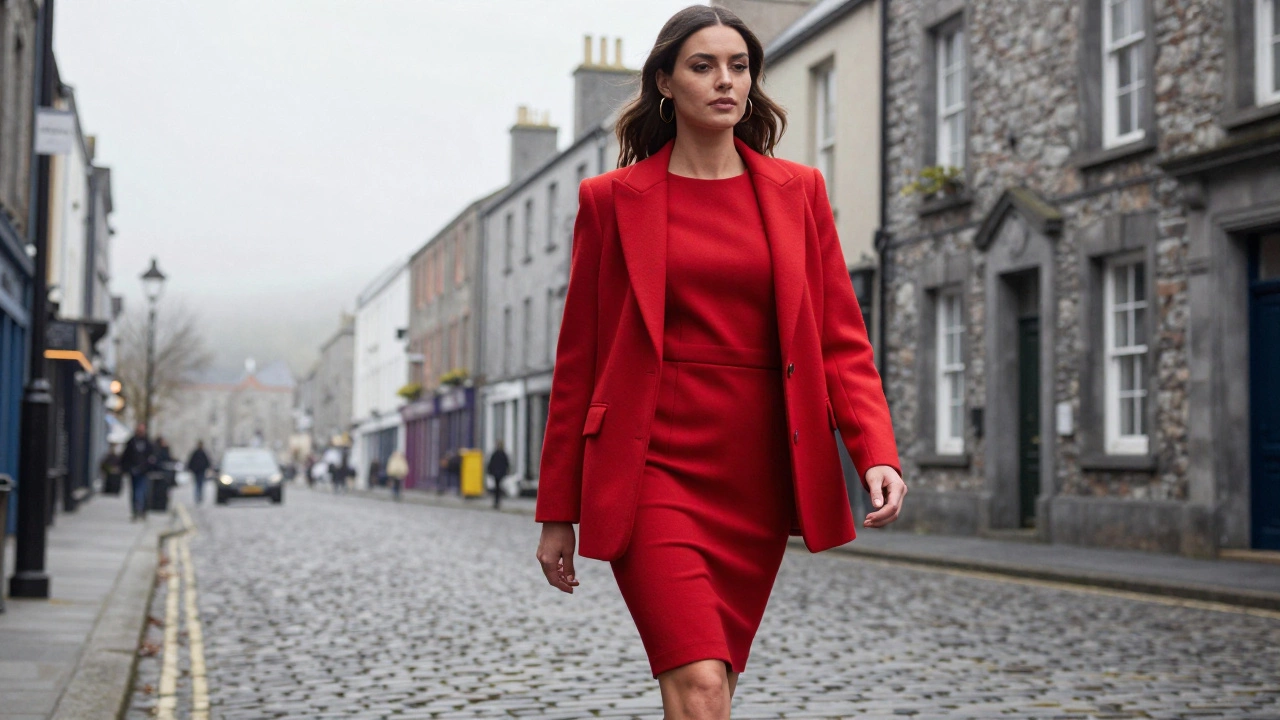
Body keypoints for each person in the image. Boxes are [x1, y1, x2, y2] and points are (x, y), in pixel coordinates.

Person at [532, 6, 907, 716]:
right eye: (703, 66)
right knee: (699, 679)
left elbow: (839, 339)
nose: (725, 81)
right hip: (650, 470)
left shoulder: (799, 193)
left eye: (738, 66)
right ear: (665, 83)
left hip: (756, 475)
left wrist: (875, 452)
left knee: (713, 683)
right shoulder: (610, 202)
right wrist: (559, 508)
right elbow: (578, 361)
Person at [120, 424, 155, 521]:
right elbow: (126, 456)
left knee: (142, 491)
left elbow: (152, 456)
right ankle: (136, 510)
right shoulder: (132, 442)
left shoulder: (148, 443)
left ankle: (141, 509)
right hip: (133, 471)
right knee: (135, 491)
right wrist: (125, 468)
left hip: (144, 471)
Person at [186, 441, 212, 505]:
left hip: (201, 471)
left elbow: (207, 462)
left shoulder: (203, 453)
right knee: (198, 484)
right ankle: (198, 496)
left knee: (200, 484)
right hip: (197, 471)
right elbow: (191, 462)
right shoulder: (196, 452)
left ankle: (199, 496)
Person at [486, 441, 510, 510]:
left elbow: (491, 463)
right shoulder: (501, 454)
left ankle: (497, 501)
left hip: (497, 474)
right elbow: (506, 464)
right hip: (498, 474)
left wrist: (490, 471)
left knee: (497, 487)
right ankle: (497, 501)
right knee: (498, 487)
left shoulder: (497, 454)